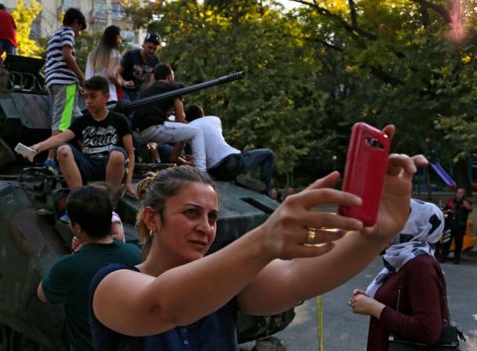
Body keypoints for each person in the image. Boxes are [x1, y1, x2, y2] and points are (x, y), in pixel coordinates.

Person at [89, 126, 427, 350]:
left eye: (212, 217)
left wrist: (375, 235)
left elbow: (297, 278)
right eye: (191, 213)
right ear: (151, 218)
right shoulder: (112, 283)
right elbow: (163, 306)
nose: (205, 227)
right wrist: (266, 239)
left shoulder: (228, 283)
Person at [37, 184, 142, 351]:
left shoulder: (68, 267)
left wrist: (76, 254)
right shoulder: (134, 254)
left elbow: (43, 294)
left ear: (77, 227)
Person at [349, 199, 448, 351]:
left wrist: (374, 308)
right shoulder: (404, 259)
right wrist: (370, 300)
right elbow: (402, 303)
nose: (388, 225)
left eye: (397, 220)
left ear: (415, 225)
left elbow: (428, 331)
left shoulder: (419, 264)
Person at [26, 76, 136, 197]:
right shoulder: (82, 121)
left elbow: (130, 153)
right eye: (85, 96)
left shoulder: (119, 120)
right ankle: (78, 198)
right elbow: (60, 138)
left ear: (106, 98)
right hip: (88, 164)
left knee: (117, 155)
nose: (88, 101)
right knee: (63, 149)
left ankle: (111, 199)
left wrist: (129, 182)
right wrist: (37, 147)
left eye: (93, 96)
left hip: (110, 165)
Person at [132, 64, 206, 171]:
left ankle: (175, 159)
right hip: (152, 129)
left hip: (137, 134)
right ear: (170, 76)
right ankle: (201, 172)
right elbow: (180, 119)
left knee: (182, 133)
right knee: (196, 132)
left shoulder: (146, 91)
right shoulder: (173, 88)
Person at [185, 104, 275, 193]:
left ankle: (237, 177)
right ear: (202, 113)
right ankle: (266, 189)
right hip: (231, 162)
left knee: (231, 169)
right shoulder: (214, 119)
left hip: (214, 172)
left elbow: (190, 156)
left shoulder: (186, 129)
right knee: (268, 154)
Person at [44, 8, 87, 170]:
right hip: (65, 84)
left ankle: (88, 152)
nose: (79, 34)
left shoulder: (55, 34)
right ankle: (50, 160)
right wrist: (83, 79)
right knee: (61, 123)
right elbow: (67, 57)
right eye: (80, 29)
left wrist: (78, 87)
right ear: (76, 23)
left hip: (54, 82)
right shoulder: (68, 32)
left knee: (78, 120)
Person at [72, 182, 126, 251]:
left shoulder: (113, 218)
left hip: (113, 251)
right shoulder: (89, 216)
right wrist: (78, 238)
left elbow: (119, 236)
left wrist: (92, 243)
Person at [117, 32, 161, 101]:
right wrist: (124, 82)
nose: (152, 51)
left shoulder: (155, 60)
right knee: (126, 107)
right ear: (144, 44)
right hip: (122, 89)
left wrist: (145, 94)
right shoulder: (131, 55)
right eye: (149, 47)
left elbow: (150, 82)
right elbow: (117, 73)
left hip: (136, 92)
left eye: (154, 49)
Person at [86, 25, 123, 104]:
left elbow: (88, 76)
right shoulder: (114, 53)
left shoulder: (92, 53)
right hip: (109, 96)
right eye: (119, 37)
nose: (120, 40)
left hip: (93, 97)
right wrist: (120, 82)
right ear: (115, 38)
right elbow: (111, 75)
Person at [440, 187, 472, 264]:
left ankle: (456, 259)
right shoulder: (451, 202)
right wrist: (448, 211)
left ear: (464, 194)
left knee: (458, 242)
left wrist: (463, 201)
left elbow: (470, 209)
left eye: (461, 193)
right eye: (458, 193)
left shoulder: (466, 202)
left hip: (460, 226)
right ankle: (442, 257)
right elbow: (444, 211)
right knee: (446, 241)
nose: (459, 194)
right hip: (450, 225)